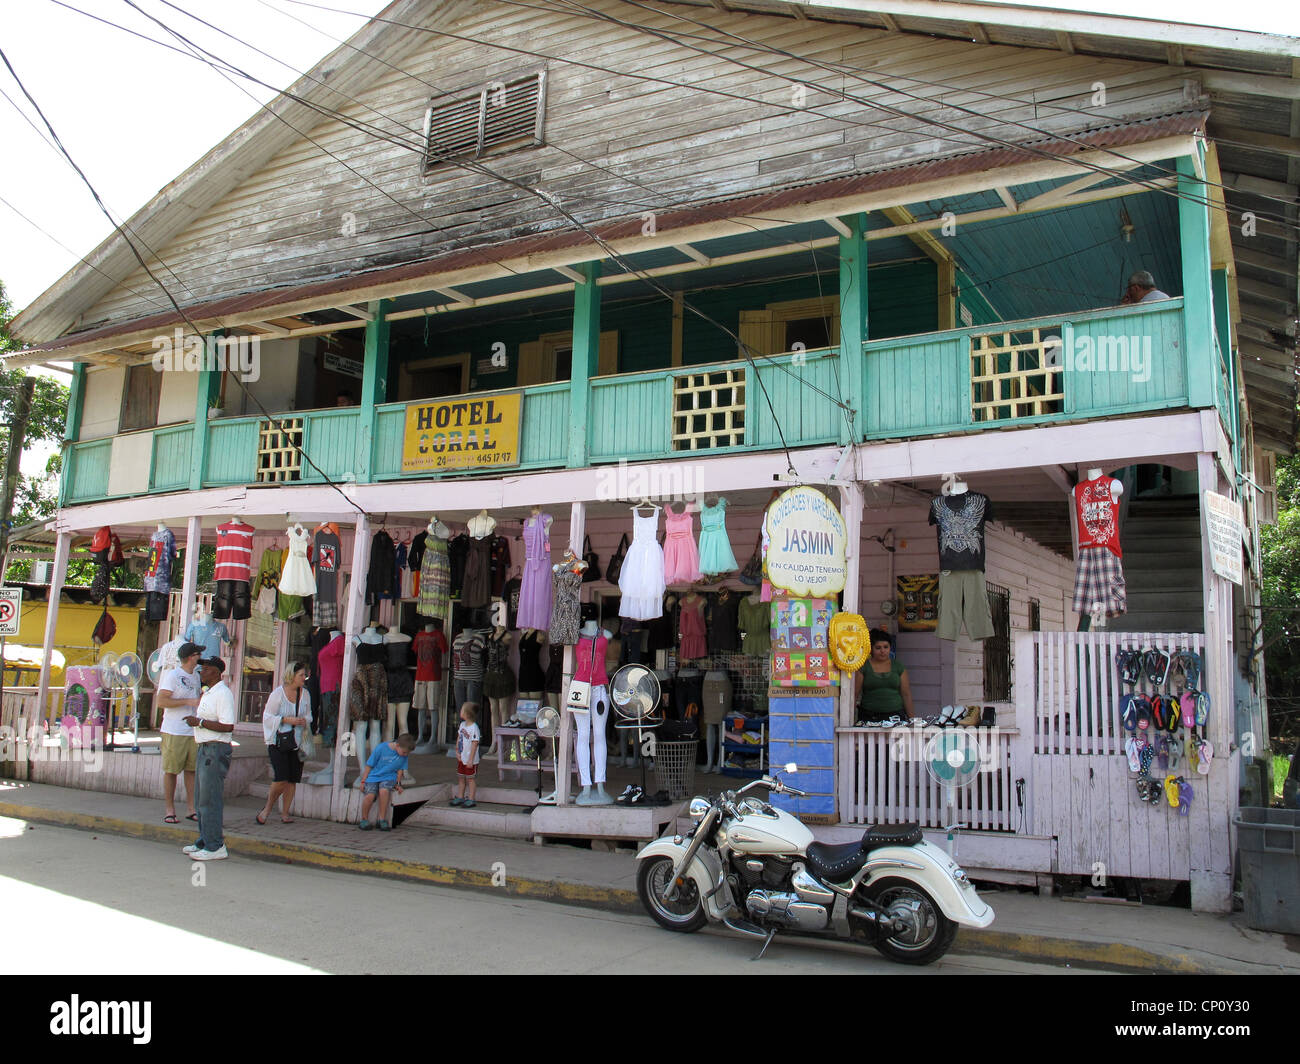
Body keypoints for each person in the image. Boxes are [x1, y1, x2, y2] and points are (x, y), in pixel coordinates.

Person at [182, 658, 236, 861]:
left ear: (216, 672)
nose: (201, 672)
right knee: (200, 799)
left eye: (205, 669)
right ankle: (204, 840)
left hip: (215, 749)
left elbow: (228, 726)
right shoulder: (209, 692)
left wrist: (200, 722)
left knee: (209, 799)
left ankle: (215, 846)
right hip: (204, 748)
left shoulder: (223, 693)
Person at [258, 662, 313, 825]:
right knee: (281, 777)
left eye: (305, 675)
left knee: (292, 779)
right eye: (301, 675)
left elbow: (310, 715)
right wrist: (285, 719)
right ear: (292, 676)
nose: (304, 678)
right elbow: (267, 717)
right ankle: (267, 808)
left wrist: (305, 721)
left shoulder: (306, 694)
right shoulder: (278, 694)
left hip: (297, 742)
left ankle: (285, 813)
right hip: (279, 741)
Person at [155, 641, 204, 824]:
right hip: (174, 729)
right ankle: (170, 809)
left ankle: (191, 808)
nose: (200, 657)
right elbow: (161, 701)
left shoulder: (196, 677)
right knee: (171, 770)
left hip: (192, 730)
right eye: (197, 654)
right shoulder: (173, 675)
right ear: (191, 657)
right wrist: (186, 702)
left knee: (191, 770)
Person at [853, 629, 914, 723]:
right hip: (869, 716)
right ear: (871, 649)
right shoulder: (864, 667)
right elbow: (855, 694)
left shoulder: (898, 666)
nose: (882, 651)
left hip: (895, 716)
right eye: (878, 648)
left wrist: (912, 720)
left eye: (886, 647)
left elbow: (906, 694)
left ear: (890, 648)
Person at [357, 732, 414, 831]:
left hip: (389, 777)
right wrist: (363, 781)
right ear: (397, 745)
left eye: (407, 753)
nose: (405, 755)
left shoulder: (404, 755)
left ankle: (381, 819)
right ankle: (364, 819)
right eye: (404, 752)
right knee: (370, 795)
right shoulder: (381, 748)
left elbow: (401, 769)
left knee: (384, 791)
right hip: (374, 776)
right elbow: (369, 764)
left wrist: (398, 783)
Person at [450, 702, 480, 809]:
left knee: (470, 779)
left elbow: (475, 743)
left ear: (467, 714)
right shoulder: (462, 725)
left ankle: (471, 798)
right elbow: (459, 737)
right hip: (462, 758)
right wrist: (457, 750)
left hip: (470, 760)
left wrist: (471, 759)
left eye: (462, 710)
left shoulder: (474, 728)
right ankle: (460, 796)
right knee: (461, 778)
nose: (460, 712)